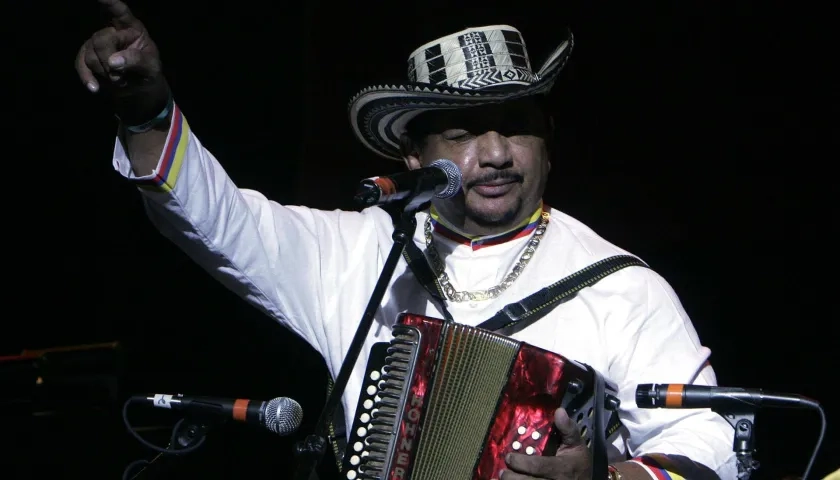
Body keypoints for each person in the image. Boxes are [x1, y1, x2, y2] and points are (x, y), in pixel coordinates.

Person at [77, 1, 737, 478]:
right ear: (416, 157)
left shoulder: (622, 287)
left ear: (548, 144)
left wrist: (610, 478)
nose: (498, 152)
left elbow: (708, 440)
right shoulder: (357, 250)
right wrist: (146, 109)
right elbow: (216, 221)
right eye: (463, 131)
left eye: (517, 125)